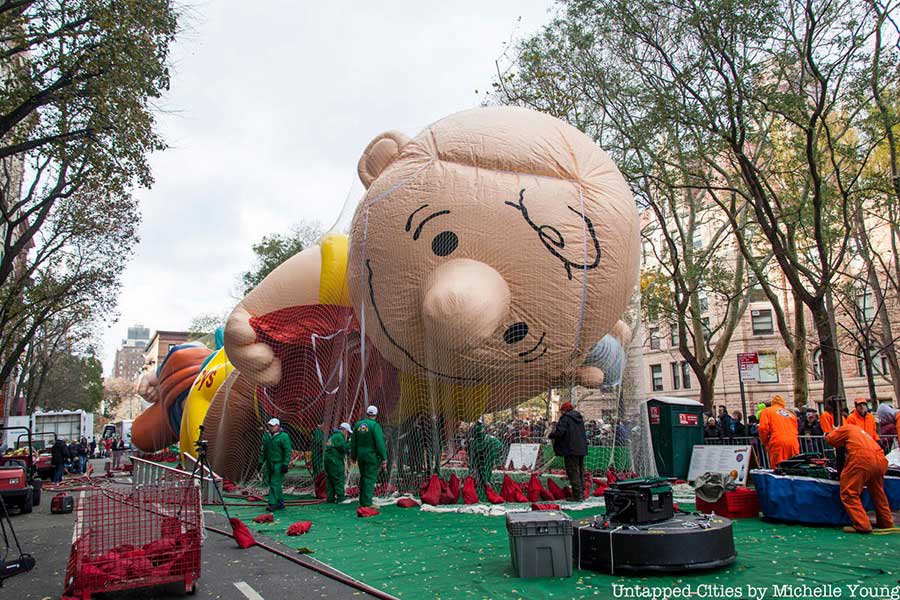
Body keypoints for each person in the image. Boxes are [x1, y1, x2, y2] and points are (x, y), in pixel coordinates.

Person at [825, 423, 894, 533]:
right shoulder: (860, 431)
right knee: (878, 492)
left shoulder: (845, 428)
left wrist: (828, 434)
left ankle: (862, 525)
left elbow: (831, 440)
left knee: (849, 492)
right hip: (880, 459)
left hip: (862, 459)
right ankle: (886, 522)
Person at [548, 401, 588, 500]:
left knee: (573, 471)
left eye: (561, 411)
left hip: (571, 449)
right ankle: (581, 493)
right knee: (580, 471)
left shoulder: (565, 418)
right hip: (581, 448)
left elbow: (560, 432)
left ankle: (577, 495)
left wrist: (551, 434)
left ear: (564, 410)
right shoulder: (579, 418)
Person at [351, 405, 387, 508]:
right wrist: (384, 458)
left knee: (363, 477)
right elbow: (380, 443)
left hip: (360, 456)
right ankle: (367, 503)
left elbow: (353, 442)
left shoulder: (358, 425)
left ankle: (362, 501)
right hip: (371, 456)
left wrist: (353, 456)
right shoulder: (375, 426)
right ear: (376, 415)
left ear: (367, 413)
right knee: (369, 479)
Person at [758, 395, 800, 468]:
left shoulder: (766, 411)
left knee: (778, 467)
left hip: (777, 441)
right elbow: (796, 429)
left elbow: (763, 428)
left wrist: (764, 442)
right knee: (793, 468)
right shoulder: (791, 414)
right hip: (794, 442)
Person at [259, 417, 292, 511]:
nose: (270, 427)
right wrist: (260, 462)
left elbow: (287, 451)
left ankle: (272, 504)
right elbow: (264, 450)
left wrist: (285, 464)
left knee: (275, 483)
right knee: (273, 483)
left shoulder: (284, 436)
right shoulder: (266, 436)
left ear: (278, 426)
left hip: (279, 463)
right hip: (269, 464)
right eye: (269, 425)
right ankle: (280, 502)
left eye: (272, 426)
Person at [324, 423, 352, 503]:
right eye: (347, 432)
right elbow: (344, 448)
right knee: (338, 478)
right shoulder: (339, 437)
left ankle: (330, 498)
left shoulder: (333, 436)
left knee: (330, 479)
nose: (347, 434)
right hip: (334, 461)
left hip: (328, 461)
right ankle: (341, 498)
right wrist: (351, 443)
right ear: (344, 430)